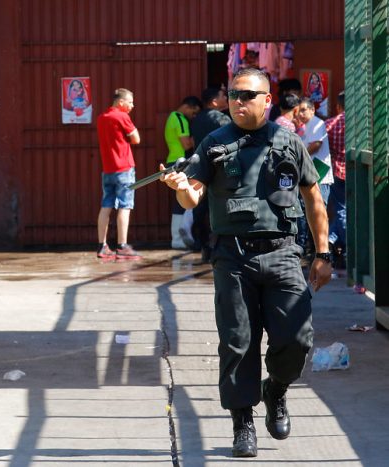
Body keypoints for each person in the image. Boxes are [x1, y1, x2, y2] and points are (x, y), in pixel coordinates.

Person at [159, 67, 332, 458]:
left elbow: (314, 200)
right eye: (235, 94)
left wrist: (322, 253)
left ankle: (276, 390)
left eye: (248, 95)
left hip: (283, 253)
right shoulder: (215, 142)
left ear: (267, 101)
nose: (239, 101)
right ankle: (243, 422)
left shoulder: (289, 142)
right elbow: (192, 197)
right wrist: (182, 188)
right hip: (232, 257)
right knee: (237, 343)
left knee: (296, 338)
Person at [96, 88, 141, 260]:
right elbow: (136, 139)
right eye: (130, 102)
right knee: (125, 205)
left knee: (106, 205)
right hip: (124, 168)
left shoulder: (102, 118)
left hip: (108, 169)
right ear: (121, 102)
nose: (132, 105)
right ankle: (122, 245)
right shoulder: (122, 117)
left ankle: (102, 246)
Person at [190, 87, 232, 261]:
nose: (227, 99)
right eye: (223, 96)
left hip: (199, 166)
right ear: (214, 101)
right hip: (218, 169)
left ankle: (203, 245)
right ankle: (219, 246)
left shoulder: (196, 119)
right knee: (221, 207)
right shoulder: (222, 119)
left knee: (199, 208)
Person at [297, 97, 333, 253]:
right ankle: (312, 250)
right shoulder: (306, 126)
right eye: (298, 111)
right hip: (311, 176)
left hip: (320, 176)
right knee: (309, 212)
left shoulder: (316, 123)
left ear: (312, 110)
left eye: (304, 110)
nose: (300, 114)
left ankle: (321, 252)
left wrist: (298, 155)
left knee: (318, 212)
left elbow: (316, 145)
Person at [164, 96, 202, 249]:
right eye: (194, 113)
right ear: (187, 107)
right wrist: (198, 139)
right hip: (179, 162)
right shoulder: (179, 118)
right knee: (182, 200)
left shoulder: (173, 117)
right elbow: (186, 144)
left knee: (181, 200)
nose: (194, 116)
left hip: (175, 161)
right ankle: (178, 239)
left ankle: (178, 238)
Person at [325, 91, 346, 267]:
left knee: (340, 209)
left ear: (338, 106)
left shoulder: (329, 124)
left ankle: (333, 240)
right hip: (359, 171)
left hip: (337, 172)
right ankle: (341, 243)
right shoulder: (363, 126)